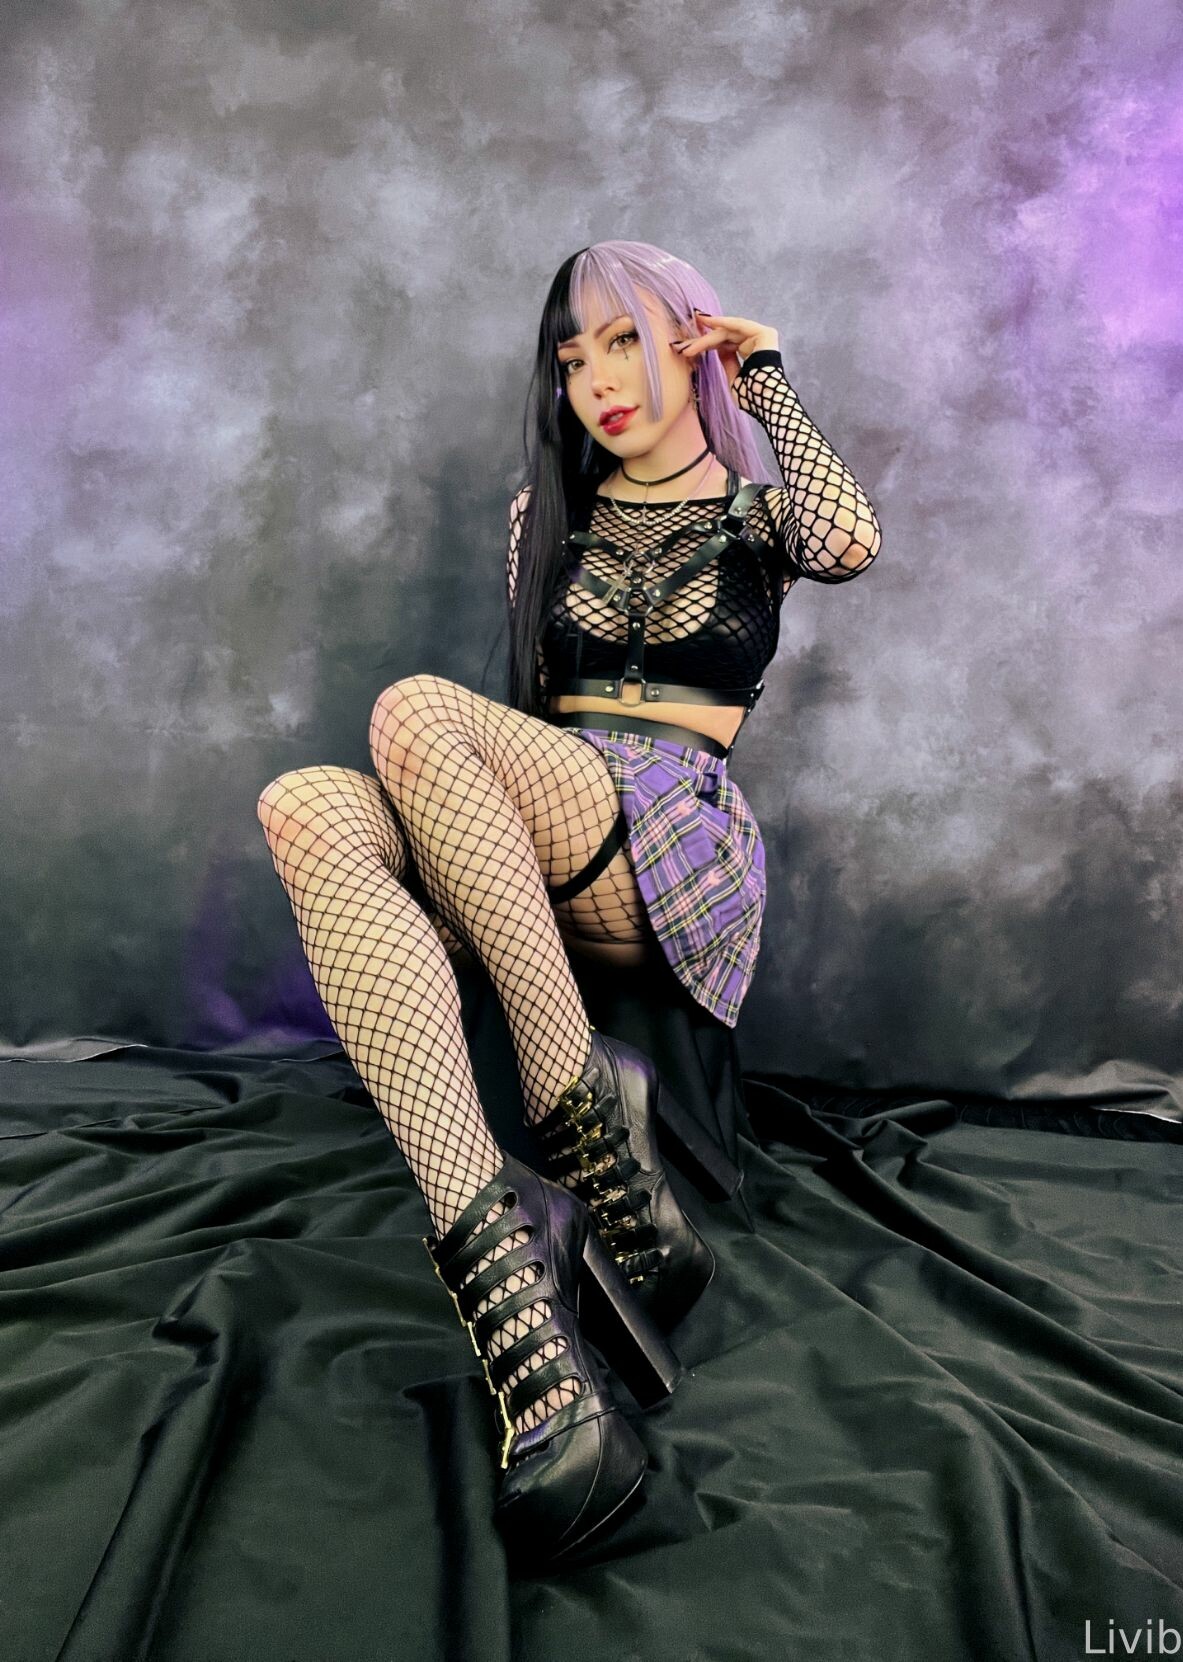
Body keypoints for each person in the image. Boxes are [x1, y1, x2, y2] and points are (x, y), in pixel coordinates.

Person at [256, 238, 881, 1569]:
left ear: (691, 340)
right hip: (547, 813)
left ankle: (572, 1096)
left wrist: (764, 373)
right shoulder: (546, 517)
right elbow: (525, 720)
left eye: (626, 340)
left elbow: (849, 540)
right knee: (304, 807)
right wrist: (465, 832)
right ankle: (512, 1283)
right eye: (572, 355)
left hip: (677, 832)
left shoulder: (758, 517)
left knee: (411, 709)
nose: (596, 378)